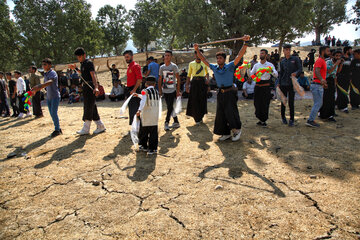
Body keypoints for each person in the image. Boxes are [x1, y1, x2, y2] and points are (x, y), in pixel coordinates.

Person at [194, 34, 250, 141]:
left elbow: (239, 55)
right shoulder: (214, 67)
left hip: (230, 92)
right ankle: (225, 133)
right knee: (221, 113)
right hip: (220, 93)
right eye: (217, 58)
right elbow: (203, 59)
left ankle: (237, 130)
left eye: (220, 58)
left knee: (231, 111)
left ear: (224, 59)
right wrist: (197, 50)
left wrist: (245, 43)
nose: (218, 59)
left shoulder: (230, 66)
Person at [70, 47, 106, 135]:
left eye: (80, 56)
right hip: (85, 87)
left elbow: (93, 75)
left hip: (90, 87)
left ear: (84, 55)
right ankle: (100, 125)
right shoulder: (82, 64)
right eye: (77, 57)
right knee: (92, 106)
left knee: (88, 107)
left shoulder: (89, 63)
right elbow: (83, 74)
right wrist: (75, 69)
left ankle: (86, 128)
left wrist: (96, 87)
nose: (78, 58)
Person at [31, 58, 62, 137]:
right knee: (52, 113)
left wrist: (39, 86)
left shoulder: (53, 73)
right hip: (49, 97)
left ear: (49, 65)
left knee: (54, 113)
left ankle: (57, 130)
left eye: (45, 64)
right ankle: (58, 128)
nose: (43, 66)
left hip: (55, 96)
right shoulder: (46, 74)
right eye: (43, 65)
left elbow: (50, 82)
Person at [250, 49, 278, 127]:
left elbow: (276, 74)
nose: (261, 54)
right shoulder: (256, 65)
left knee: (265, 103)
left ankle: (264, 120)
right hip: (258, 86)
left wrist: (271, 71)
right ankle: (260, 118)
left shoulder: (270, 65)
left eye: (262, 53)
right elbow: (251, 74)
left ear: (266, 55)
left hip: (266, 86)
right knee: (257, 103)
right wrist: (247, 70)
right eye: (260, 53)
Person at [278, 44, 302, 126]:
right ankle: (283, 117)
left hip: (292, 84)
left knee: (291, 102)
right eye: (286, 50)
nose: (287, 51)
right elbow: (280, 73)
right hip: (283, 83)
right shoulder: (282, 61)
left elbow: (300, 69)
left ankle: (291, 119)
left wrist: (296, 73)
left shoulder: (295, 59)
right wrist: (278, 82)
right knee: (283, 101)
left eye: (289, 49)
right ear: (283, 51)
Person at [306, 46, 330, 127]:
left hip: (318, 85)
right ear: (323, 52)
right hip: (317, 85)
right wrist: (322, 80)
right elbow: (316, 71)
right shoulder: (320, 60)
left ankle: (311, 119)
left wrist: (323, 82)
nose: (329, 52)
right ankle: (310, 120)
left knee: (318, 103)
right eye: (328, 51)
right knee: (318, 103)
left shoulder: (322, 61)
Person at [136, 76, 160, 155]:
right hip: (154, 115)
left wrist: (139, 110)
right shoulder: (156, 91)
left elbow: (143, 100)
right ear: (154, 84)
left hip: (146, 114)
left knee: (144, 131)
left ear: (146, 84)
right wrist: (138, 95)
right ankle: (153, 149)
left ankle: (144, 146)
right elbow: (146, 97)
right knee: (153, 132)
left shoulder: (144, 90)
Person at [158, 50, 181, 131]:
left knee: (170, 107)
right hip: (165, 90)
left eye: (168, 55)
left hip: (172, 90)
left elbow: (178, 79)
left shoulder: (174, 66)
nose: (167, 57)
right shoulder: (161, 67)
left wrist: (178, 91)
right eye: (165, 55)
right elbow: (160, 79)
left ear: (171, 57)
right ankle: (176, 122)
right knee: (170, 107)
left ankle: (166, 122)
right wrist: (160, 89)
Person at [185, 49, 210, 125]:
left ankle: (201, 117)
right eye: (198, 54)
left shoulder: (204, 63)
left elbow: (207, 73)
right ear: (195, 55)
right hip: (194, 83)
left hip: (202, 83)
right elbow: (189, 75)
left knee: (202, 100)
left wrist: (208, 81)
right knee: (194, 100)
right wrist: (187, 85)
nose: (199, 56)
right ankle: (196, 118)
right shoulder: (191, 64)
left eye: (201, 54)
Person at [319, 50, 342, 122]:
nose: (338, 57)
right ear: (333, 56)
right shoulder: (328, 62)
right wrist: (336, 64)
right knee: (327, 99)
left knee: (332, 98)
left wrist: (339, 64)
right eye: (336, 55)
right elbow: (329, 71)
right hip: (327, 81)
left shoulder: (337, 63)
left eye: (339, 56)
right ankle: (325, 115)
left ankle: (331, 114)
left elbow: (336, 72)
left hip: (332, 81)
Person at [123, 50, 143, 125]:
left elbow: (139, 79)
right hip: (130, 89)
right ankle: (134, 125)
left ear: (132, 56)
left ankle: (138, 125)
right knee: (131, 108)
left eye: (127, 57)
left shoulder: (135, 66)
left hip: (135, 90)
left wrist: (134, 89)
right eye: (125, 57)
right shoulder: (129, 67)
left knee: (135, 108)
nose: (126, 59)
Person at [336, 46, 353, 113]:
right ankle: (343, 107)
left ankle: (337, 104)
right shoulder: (341, 59)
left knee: (345, 91)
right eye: (350, 50)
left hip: (347, 78)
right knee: (341, 92)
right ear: (347, 51)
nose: (351, 51)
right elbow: (338, 70)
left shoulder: (349, 59)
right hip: (341, 77)